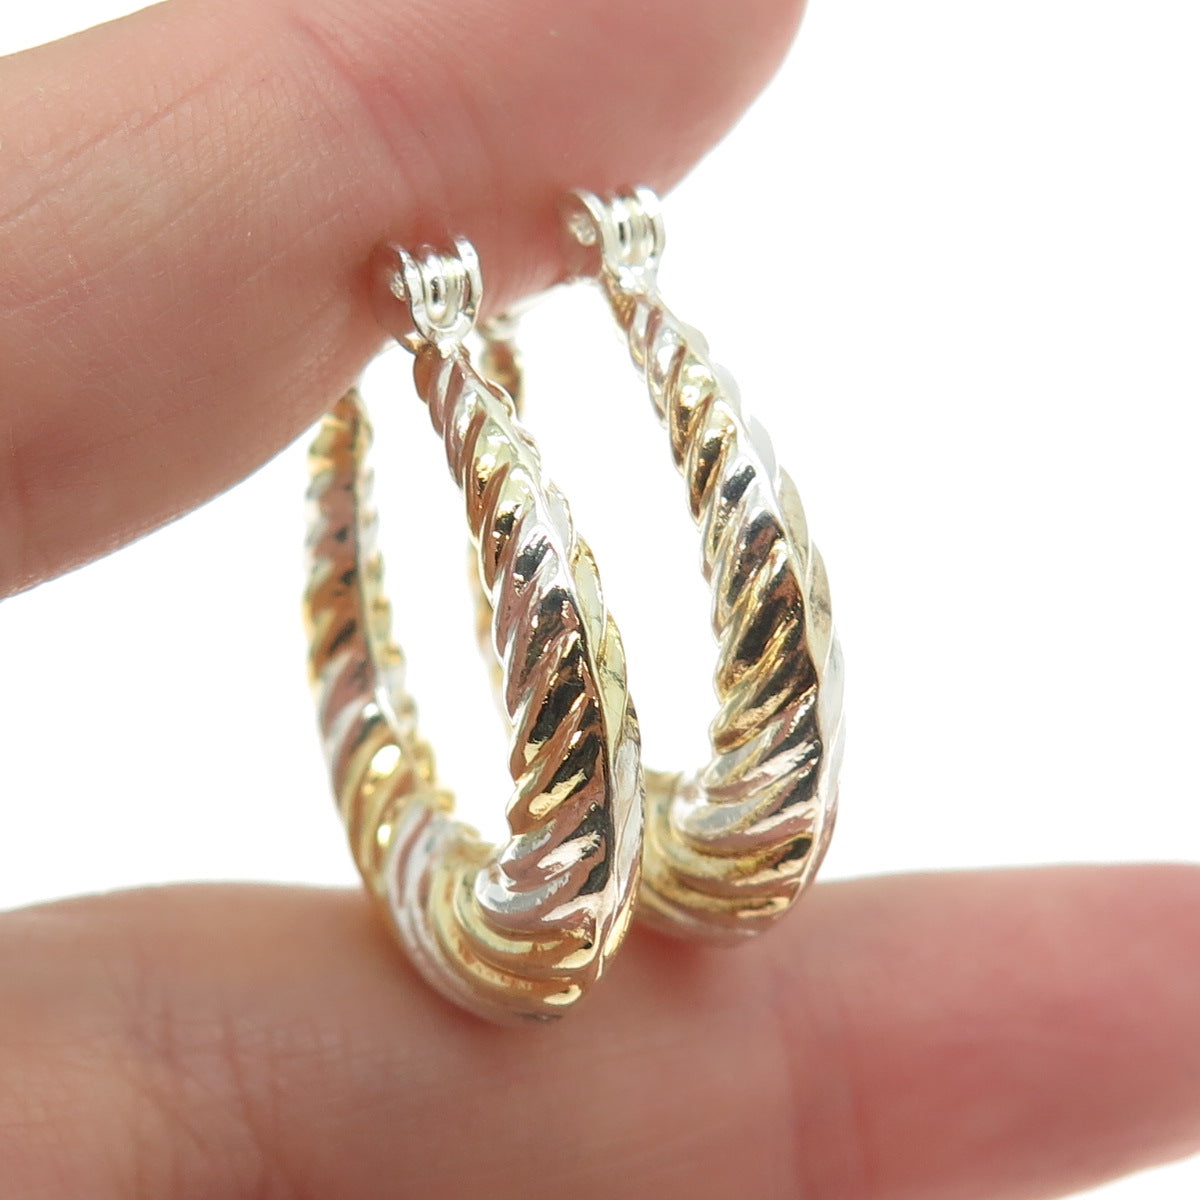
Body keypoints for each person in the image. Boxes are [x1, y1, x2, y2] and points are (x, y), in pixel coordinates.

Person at [1, 1, 1198, 1196]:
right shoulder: (536, 925)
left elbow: (727, 624)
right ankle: (433, 395)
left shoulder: (660, 886)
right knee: (633, 847)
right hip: (513, 917)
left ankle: (448, 385)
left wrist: (522, 341)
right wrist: (558, 325)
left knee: (708, 845)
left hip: (568, 901)